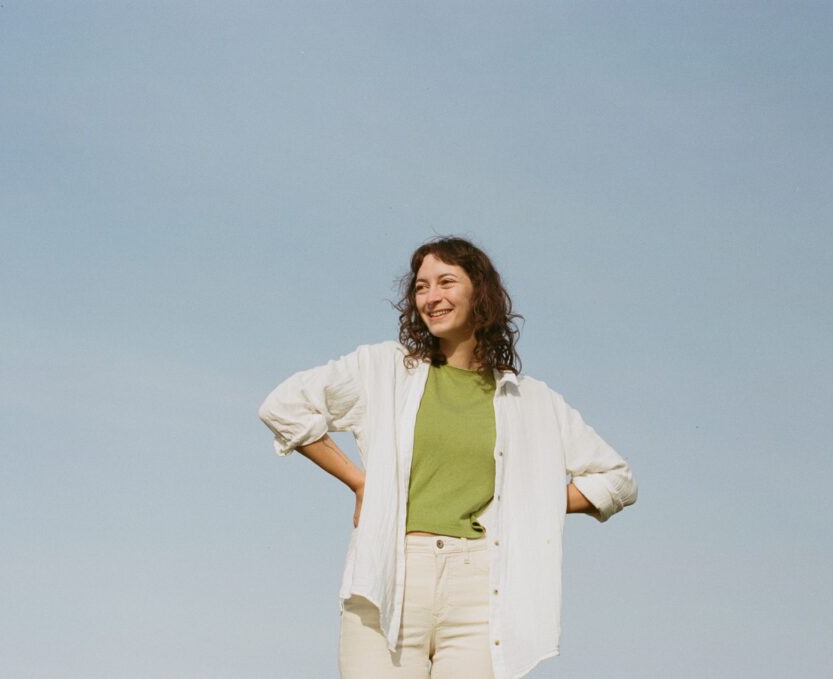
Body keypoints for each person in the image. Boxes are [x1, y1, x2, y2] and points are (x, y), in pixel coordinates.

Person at [258, 236, 638, 679]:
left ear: (480, 293)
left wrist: (531, 502)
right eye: (421, 287)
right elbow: (283, 406)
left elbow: (617, 479)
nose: (431, 297)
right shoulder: (384, 369)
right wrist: (360, 482)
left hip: (480, 589)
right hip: (392, 577)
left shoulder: (532, 401)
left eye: (445, 282)